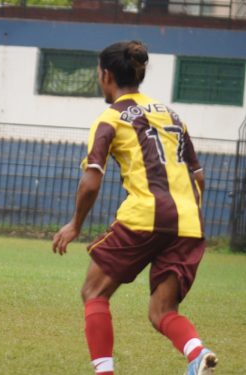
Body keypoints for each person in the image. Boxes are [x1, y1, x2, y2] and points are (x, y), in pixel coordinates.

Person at [51, 41, 217, 375]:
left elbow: (91, 180)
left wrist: (75, 224)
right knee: (162, 311)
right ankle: (197, 353)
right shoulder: (172, 115)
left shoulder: (110, 118)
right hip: (190, 221)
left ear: (106, 75)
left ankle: (105, 372)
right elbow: (198, 176)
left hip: (145, 215)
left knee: (94, 291)